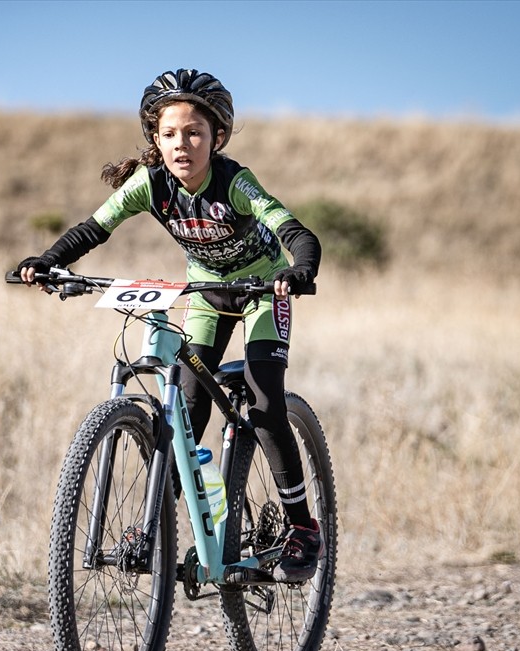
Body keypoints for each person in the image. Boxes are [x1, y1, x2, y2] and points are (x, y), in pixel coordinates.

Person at [16, 68, 322, 582]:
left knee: (266, 401)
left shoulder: (234, 182)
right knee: (186, 407)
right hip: (204, 293)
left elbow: (295, 231)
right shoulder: (151, 184)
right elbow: (95, 227)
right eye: (170, 134)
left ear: (217, 138)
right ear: (155, 140)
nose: (183, 144)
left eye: (195, 133)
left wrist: (299, 268)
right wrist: (47, 260)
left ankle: (301, 527)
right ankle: (158, 523)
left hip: (261, 291)